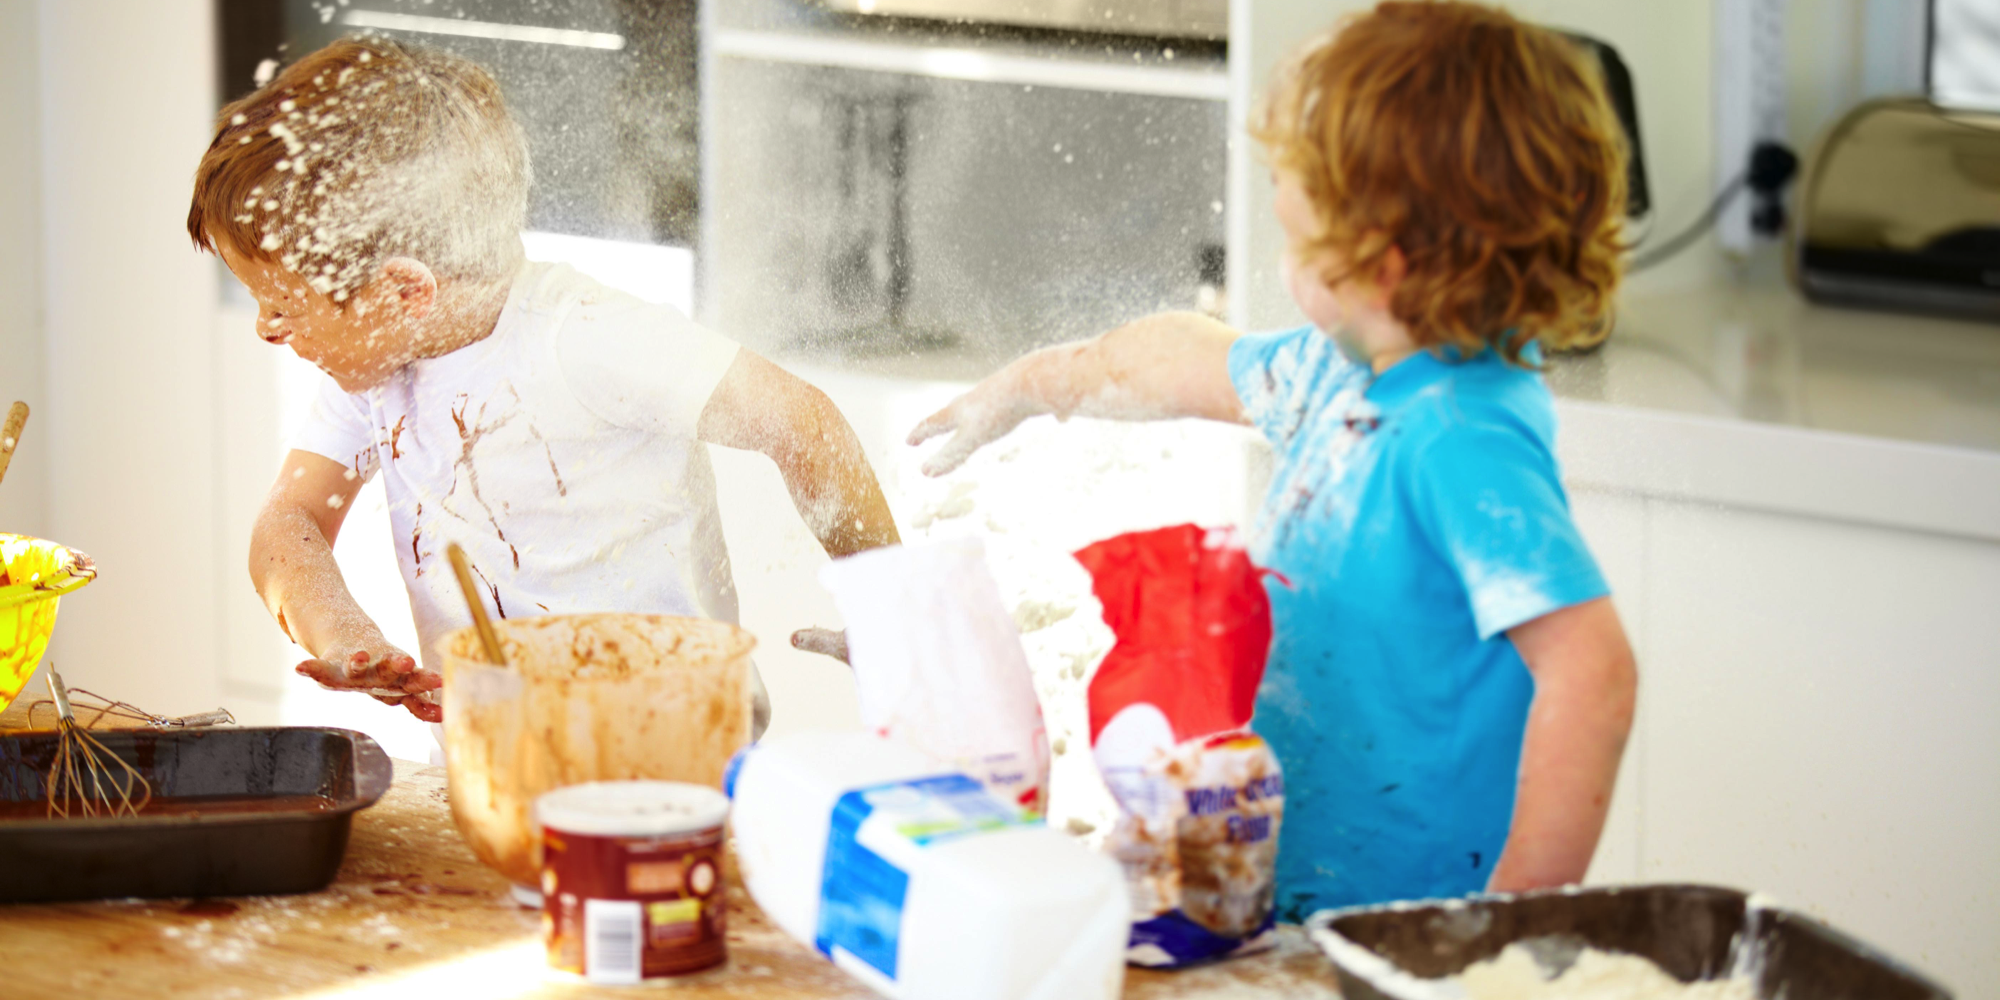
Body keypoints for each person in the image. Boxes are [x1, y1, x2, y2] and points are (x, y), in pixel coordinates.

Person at [908, 1, 1637, 916]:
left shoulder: (1463, 438)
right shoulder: (1343, 372)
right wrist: (1028, 386)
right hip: (1294, 887)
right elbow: (1183, 359)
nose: (1286, 255)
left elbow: (1594, 673)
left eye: (1300, 236)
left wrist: (1508, 923)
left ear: (1387, 257)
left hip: (1409, 927)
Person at [188, 37, 897, 733]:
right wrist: (342, 633)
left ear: (404, 290)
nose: (266, 329)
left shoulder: (584, 338)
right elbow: (289, 524)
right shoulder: (374, 368)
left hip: (675, 748)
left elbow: (801, 421)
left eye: (283, 305)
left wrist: (890, 611)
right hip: (503, 763)